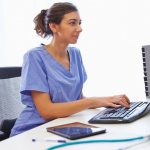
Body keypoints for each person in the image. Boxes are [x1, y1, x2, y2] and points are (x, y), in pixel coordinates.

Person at [10, 2, 130, 137]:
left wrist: (107, 100)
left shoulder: (75, 54)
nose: (79, 28)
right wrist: (93, 101)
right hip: (32, 131)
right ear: (54, 26)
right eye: (73, 23)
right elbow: (47, 111)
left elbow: (77, 98)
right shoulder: (34, 57)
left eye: (80, 23)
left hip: (63, 127)